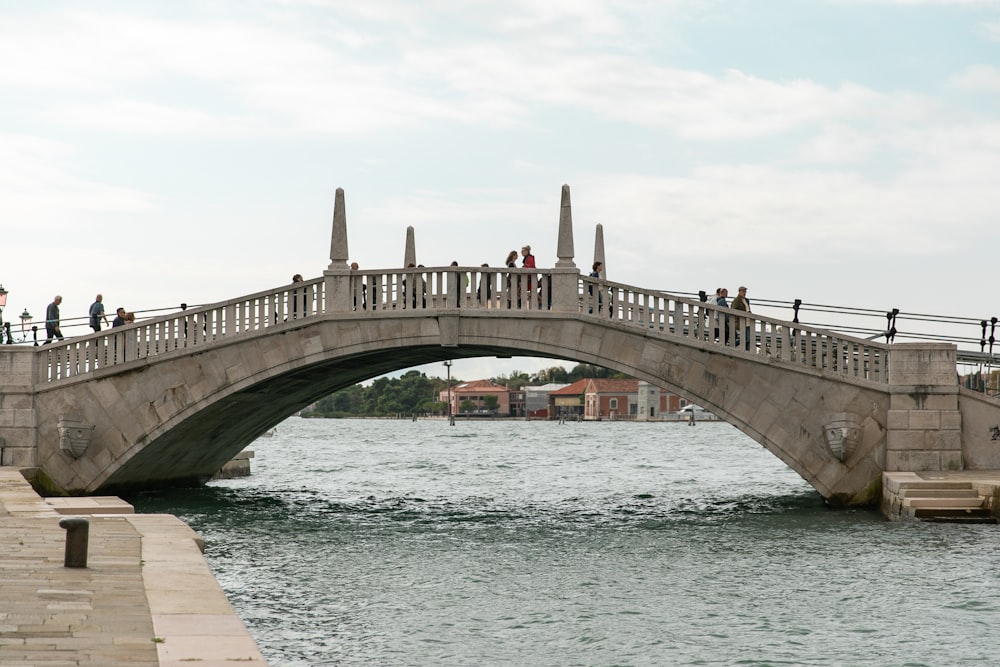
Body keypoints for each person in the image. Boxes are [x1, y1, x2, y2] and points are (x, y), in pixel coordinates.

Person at [731, 286, 752, 350]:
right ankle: (733, 344)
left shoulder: (746, 300)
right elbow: (733, 310)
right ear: (739, 291)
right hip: (741, 322)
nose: (744, 293)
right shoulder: (736, 300)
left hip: (748, 322)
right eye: (743, 291)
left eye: (745, 291)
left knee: (749, 339)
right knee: (746, 338)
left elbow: (747, 309)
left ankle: (747, 351)